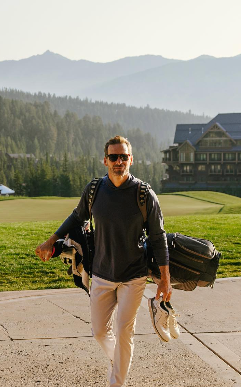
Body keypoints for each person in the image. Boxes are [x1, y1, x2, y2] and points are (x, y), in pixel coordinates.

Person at [35, 135, 171, 387]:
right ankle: (121, 361)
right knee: (99, 332)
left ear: (131, 159)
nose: (118, 161)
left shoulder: (144, 194)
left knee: (124, 331)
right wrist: (50, 240)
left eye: (123, 157)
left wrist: (165, 279)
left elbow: (158, 236)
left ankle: (117, 381)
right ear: (105, 160)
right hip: (101, 274)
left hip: (134, 276)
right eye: (113, 157)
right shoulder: (94, 191)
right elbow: (76, 218)